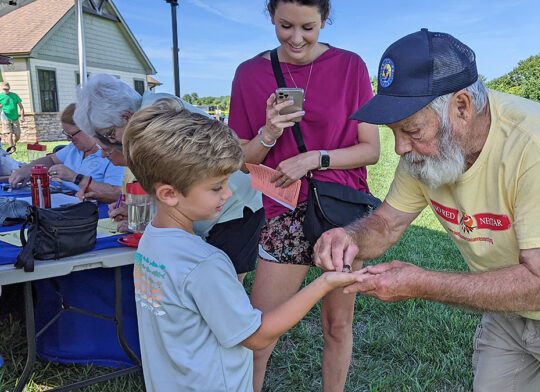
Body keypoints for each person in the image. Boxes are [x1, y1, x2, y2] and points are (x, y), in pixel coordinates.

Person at [315, 29, 540, 392]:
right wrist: (350, 237)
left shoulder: (539, 147)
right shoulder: (422, 155)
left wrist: (421, 284)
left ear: (462, 107)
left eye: (411, 130)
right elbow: (386, 223)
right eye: (394, 131)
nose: (400, 147)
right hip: (510, 306)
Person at [122, 99, 364, 391]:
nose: (227, 193)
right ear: (169, 193)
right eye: (216, 187)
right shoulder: (205, 263)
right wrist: (324, 283)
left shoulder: (150, 241)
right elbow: (257, 336)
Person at [229, 1, 379, 390]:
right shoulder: (249, 74)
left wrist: (314, 158)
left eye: (309, 27)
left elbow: (371, 150)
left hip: (341, 210)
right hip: (284, 210)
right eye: (285, 26)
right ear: (271, 16)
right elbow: (241, 160)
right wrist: (269, 132)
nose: (296, 38)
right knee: (258, 334)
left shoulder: (350, 66)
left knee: (338, 325)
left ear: (325, 20)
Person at [74, 73, 265, 281]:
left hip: (235, 208)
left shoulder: (154, 118)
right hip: (220, 203)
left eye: (110, 133)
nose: (112, 141)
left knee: (225, 286)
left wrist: (146, 219)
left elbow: (174, 180)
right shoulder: (150, 108)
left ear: (127, 117)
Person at [8, 103, 122, 203]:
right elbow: (51, 159)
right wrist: (28, 169)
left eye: (71, 135)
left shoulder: (112, 153)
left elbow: (116, 193)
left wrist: (75, 178)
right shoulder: (75, 148)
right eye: (66, 134)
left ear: (88, 129)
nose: (68, 139)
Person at [0, 82, 25, 154]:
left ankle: (14, 142)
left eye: (7, 89)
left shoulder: (14, 96)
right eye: (4, 89)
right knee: (9, 134)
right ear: (2, 89)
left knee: (18, 135)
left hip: (15, 118)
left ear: (9, 88)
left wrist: (22, 116)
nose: (6, 91)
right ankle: (12, 150)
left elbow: (21, 107)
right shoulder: (0, 96)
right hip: (5, 117)